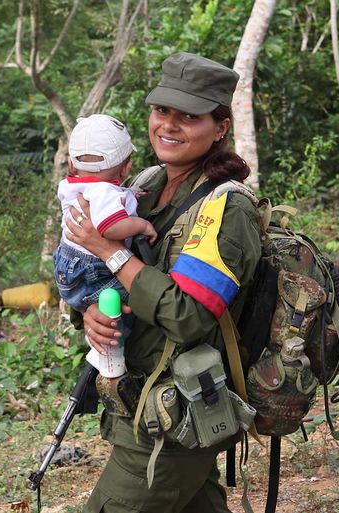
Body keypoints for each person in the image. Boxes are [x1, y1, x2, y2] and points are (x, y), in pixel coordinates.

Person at [63, 52, 261, 513]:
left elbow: (188, 316)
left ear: (220, 128)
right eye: (161, 111)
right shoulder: (144, 186)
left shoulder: (225, 208)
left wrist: (108, 251)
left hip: (178, 410)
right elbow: (98, 272)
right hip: (142, 406)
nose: (168, 126)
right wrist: (90, 313)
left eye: (189, 116)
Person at [53, 113, 157, 313]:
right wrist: (142, 225)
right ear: (126, 168)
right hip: (92, 269)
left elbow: (101, 195)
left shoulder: (72, 186)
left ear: (71, 163)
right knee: (140, 300)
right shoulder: (104, 192)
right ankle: (114, 343)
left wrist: (129, 194)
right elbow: (110, 227)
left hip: (67, 266)